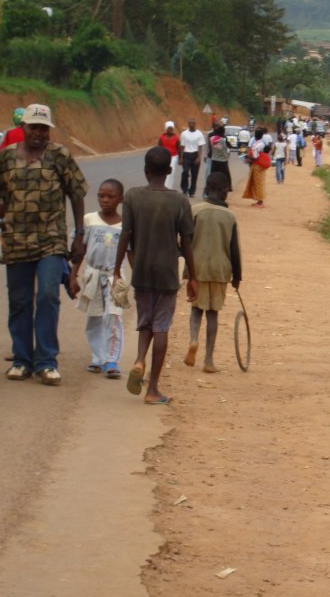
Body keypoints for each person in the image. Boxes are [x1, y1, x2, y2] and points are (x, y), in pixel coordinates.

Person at [0, 103, 87, 385]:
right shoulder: (7, 157)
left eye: (44, 128)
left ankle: (46, 361)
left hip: (51, 239)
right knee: (19, 301)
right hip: (16, 240)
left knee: (47, 295)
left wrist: (79, 234)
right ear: (23, 128)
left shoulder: (60, 156)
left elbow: (77, 194)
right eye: (34, 127)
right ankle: (22, 360)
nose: (39, 133)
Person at [113, 146, 196, 405]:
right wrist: (192, 275)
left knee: (145, 321)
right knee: (161, 326)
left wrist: (117, 269)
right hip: (167, 273)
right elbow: (187, 241)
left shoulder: (133, 197)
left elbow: (125, 234)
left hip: (142, 271)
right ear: (170, 170)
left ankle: (139, 360)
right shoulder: (180, 201)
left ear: (146, 171)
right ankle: (153, 389)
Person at [69, 179, 129, 378]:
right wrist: (73, 275)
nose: (105, 200)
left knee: (114, 317)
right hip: (92, 275)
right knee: (94, 318)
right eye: (101, 196)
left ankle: (112, 360)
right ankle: (98, 356)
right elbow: (80, 250)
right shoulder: (89, 220)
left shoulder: (127, 225)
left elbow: (132, 253)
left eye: (110, 197)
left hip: (117, 277)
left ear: (120, 199)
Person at [184, 172, 241, 373]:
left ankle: (193, 340)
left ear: (207, 189)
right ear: (225, 192)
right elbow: (234, 249)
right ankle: (208, 360)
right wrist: (237, 276)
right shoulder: (229, 216)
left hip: (196, 269)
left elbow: (185, 241)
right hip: (220, 270)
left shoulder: (195, 210)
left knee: (196, 309)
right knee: (213, 313)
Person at [179, 118, 205, 197]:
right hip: (186, 155)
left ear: (195, 124)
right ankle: (184, 189)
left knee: (194, 175)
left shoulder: (199, 134)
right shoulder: (184, 133)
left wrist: (199, 157)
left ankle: (192, 192)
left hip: (195, 155)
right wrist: (181, 158)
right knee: (185, 172)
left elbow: (200, 146)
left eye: (193, 123)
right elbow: (182, 146)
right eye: (190, 123)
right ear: (188, 124)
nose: (191, 125)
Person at [242, 127, 268, 208]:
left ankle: (260, 202)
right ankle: (259, 201)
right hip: (261, 165)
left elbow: (255, 157)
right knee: (259, 183)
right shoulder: (262, 143)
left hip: (257, 165)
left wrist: (248, 158)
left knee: (258, 183)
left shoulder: (256, 145)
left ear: (255, 136)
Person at [207, 124, 232, 192]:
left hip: (214, 161)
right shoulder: (224, 140)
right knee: (226, 177)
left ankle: (209, 189)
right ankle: (229, 187)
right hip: (223, 162)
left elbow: (211, 148)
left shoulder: (211, 139)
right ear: (223, 132)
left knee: (212, 176)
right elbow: (230, 146)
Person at [158, 121, 180, 190]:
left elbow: (178, 148)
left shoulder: (176, 138)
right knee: (164, 171)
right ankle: (163, 186)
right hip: (164, 157)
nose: (170, 130)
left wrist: (181, 158)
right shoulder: (162, 137)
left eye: (171, 128)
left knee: (171, 172)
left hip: (173, 157)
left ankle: (169, 188)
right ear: (166, 129)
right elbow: (159, 147)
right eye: (169, 128)